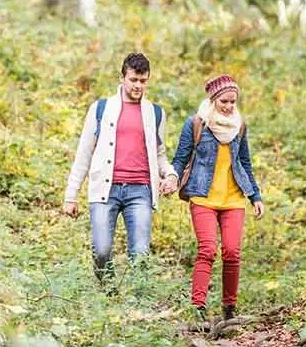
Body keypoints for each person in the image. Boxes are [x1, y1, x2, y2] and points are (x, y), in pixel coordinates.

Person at [63, 53, 179, 284]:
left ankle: (138, 306)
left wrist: (171, 174)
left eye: (143, 81)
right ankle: (109, 295)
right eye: (133, 80)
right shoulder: (101, 109)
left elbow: (159, 154)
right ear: (123, 77)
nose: (138, 86)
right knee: (102, 251)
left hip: (140, 191)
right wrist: (71, 195)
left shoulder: (155, 113)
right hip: (105, 190)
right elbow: (84, 153)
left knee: (140, 254)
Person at [171, 74, 263, 321]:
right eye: (224, 101)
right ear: (213, 100)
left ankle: (229, 308)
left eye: (233, 102)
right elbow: (180, 158)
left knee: (232, 252)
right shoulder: (196, 124)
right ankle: (198, 307)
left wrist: (255, 196)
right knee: (207, 250)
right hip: (203, 197)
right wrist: (171, 178)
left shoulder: (239, 126)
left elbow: (245, 162)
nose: (229, 106)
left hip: (234, 199)